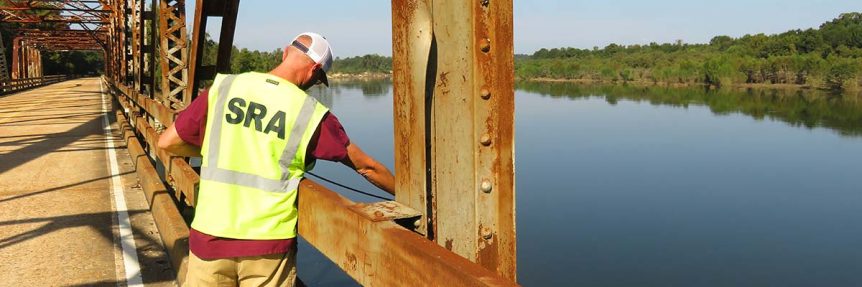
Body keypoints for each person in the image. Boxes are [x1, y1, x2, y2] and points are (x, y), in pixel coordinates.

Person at [157, 32, 395, 287]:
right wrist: (403, 194)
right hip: (267, 245)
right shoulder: (308, 112)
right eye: (317, 80)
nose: (313, 85)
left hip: (210, 237)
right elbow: (367, 167)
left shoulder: (224, 88)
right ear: (314, 70)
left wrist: (222, 148)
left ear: (285, 53)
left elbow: (167, 142)